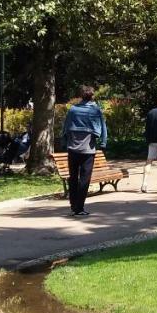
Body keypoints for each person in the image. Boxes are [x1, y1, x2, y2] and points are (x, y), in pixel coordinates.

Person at [62, 85, 107, 216]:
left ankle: (73, 204)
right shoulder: (96, 111)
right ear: (92, 96)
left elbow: (65, 128)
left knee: (73, 178)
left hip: (73, 149)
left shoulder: (73, 110)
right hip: (88, 150)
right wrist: (103, 143)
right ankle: (79, 207)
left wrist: (64, 142)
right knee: (84, 179)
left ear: (81, 96)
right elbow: (103, 128)